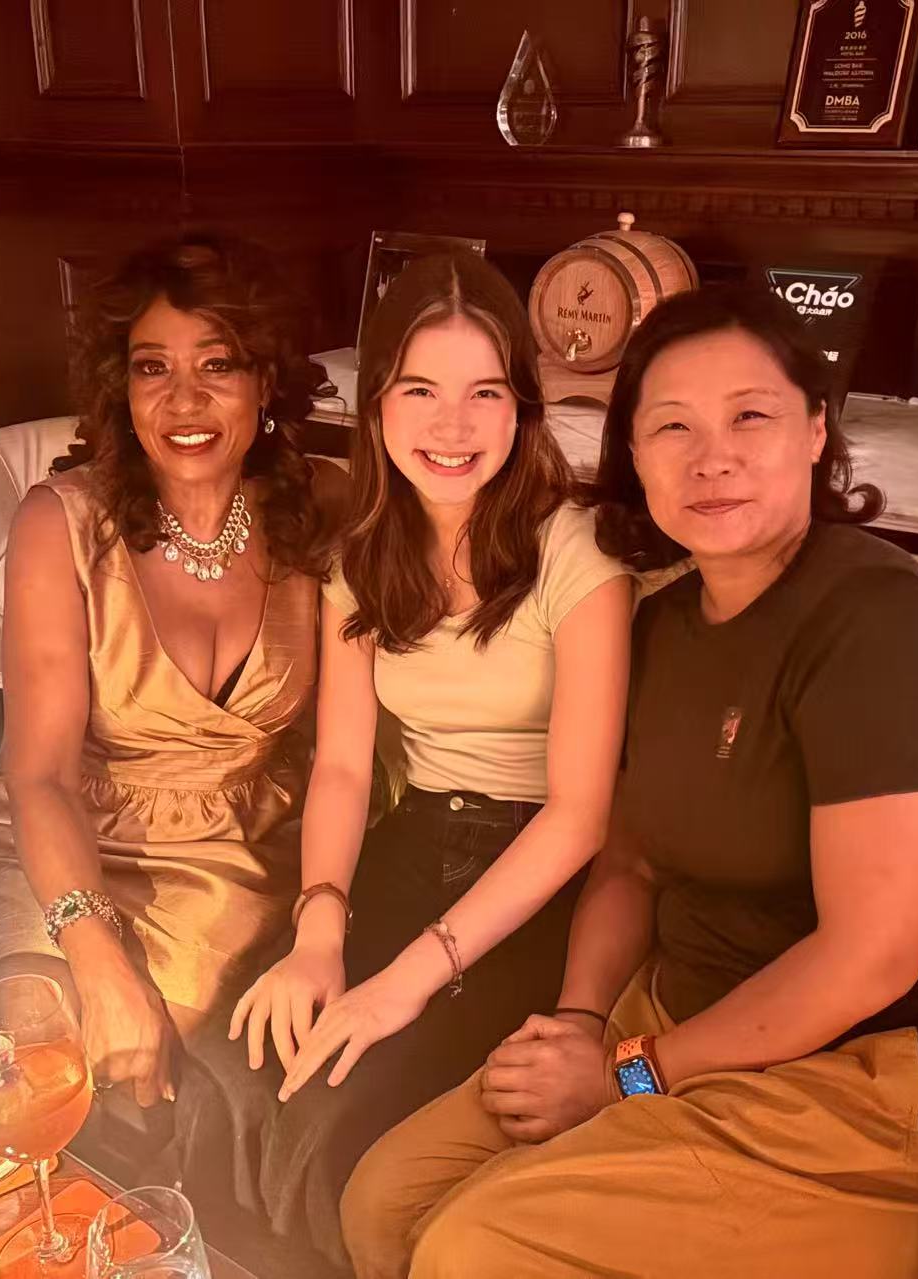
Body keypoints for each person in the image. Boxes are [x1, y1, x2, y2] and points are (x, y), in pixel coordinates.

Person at [341, 285, 918, 1279]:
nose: (710, 457)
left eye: (749, 415)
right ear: (632, 453)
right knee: (385, 1199)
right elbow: (628, 860)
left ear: (814, 430)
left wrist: (630, 1076)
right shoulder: (666, 624)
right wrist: (581, 1021)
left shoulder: (875, 623)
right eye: (671, 426)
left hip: (877, 1079)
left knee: (477, 1248)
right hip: (676, 1016)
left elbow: (871, 957)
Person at [175, 250, 633, 1265]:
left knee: (347, 1111)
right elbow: (343, 766)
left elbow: (579, 815)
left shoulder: (577, 551)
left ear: (522, 406)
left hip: (536, 878)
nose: (452, 425)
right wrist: (319, 931)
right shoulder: (361, 556)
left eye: (484, 393)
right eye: (420, 390)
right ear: (377, 401)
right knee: (232, 1063)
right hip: (412, 838)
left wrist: (406, 979)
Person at [0, 235, 341, 1110]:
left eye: (218, 365)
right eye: (153, 367)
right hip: (66, 829)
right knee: (37, 1056)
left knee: (146, 1083)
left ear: (266, 382)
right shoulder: (61, 523)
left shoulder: (322, 515)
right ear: (122, 387)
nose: (183, 400)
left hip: (239, 849)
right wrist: (98, 958)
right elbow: (39, 774)